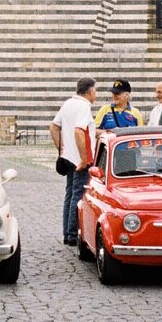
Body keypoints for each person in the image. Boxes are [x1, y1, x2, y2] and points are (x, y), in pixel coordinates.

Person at [49, 78, 97, 247]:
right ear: (90, 91)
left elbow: (54, 127)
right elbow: (79, 131)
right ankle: (72, 234)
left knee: (70, 194)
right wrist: (83, 159)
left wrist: (61, 149)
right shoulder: (84, 106)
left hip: (68, 157)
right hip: (79, 159)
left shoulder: (68, 103)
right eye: (95, 91)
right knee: (77, 194)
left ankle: (67, 233)